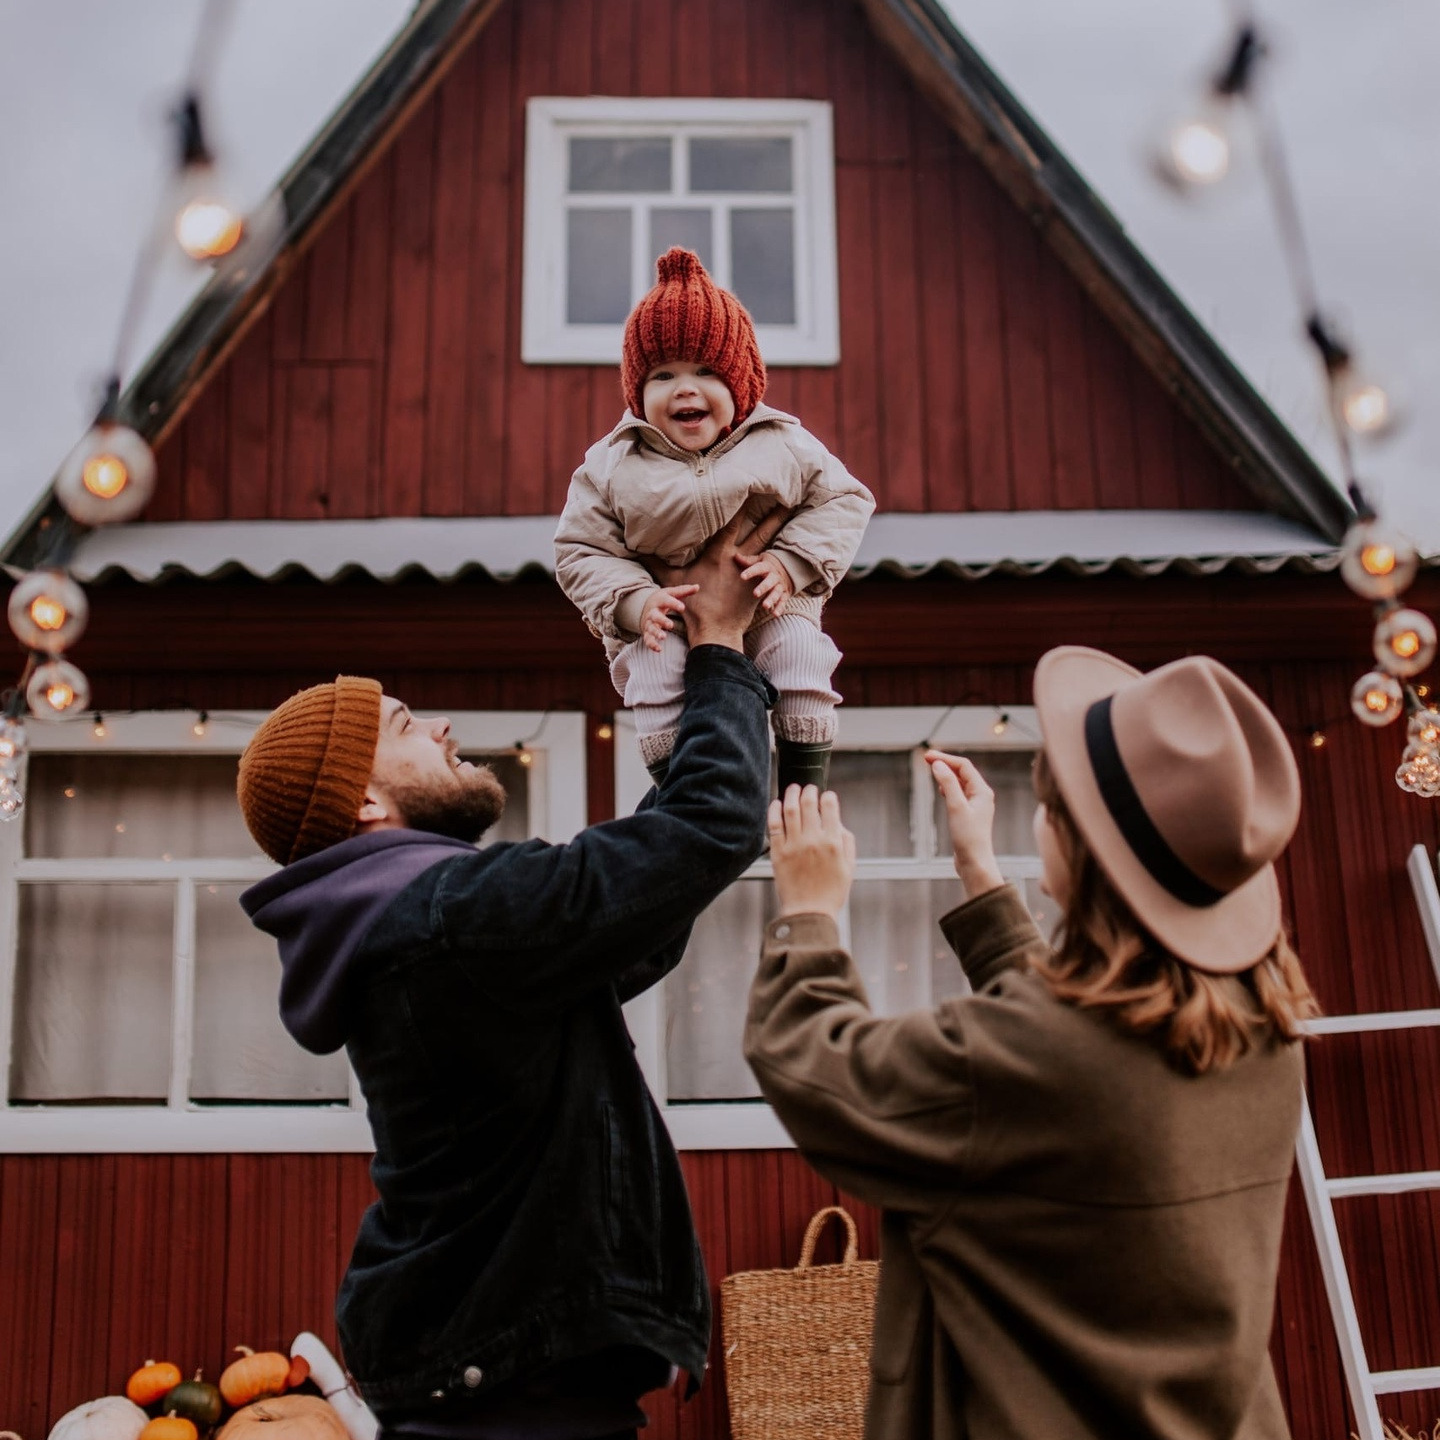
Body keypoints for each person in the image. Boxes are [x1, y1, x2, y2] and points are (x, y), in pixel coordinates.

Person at [236, 510, 786, 1440]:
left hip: (494, 1380)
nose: (442, 726)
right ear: (363, 801)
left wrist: (701, 707)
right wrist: (723, 645)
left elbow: (641, 919)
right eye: (408, 726)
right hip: (510, 1400)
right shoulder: (448, 917)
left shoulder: (415, 921)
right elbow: (706, 831)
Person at [745, 645, 1320, 1440]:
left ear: (1079, 851)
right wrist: (982, 879)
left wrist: (809, 912)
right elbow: (1083, 1060)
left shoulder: (1038, 1061)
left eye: (1049, 806)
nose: (1040, 817)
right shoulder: (1261, 1029)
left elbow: (811, 1063)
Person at [554, 247, 874, 794]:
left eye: (706, 371)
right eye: (663, 375)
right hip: (665, 614)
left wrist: (790, 562)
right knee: (655, 677)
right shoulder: (612, 463)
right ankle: (687, 801)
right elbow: (581, 551)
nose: (685, 387)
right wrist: (634, 602)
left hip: (773, 600)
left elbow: (843, 500)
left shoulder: (783, 443)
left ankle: (801, 791)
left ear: (741, 383)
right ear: (637, 391)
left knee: (801, 657)